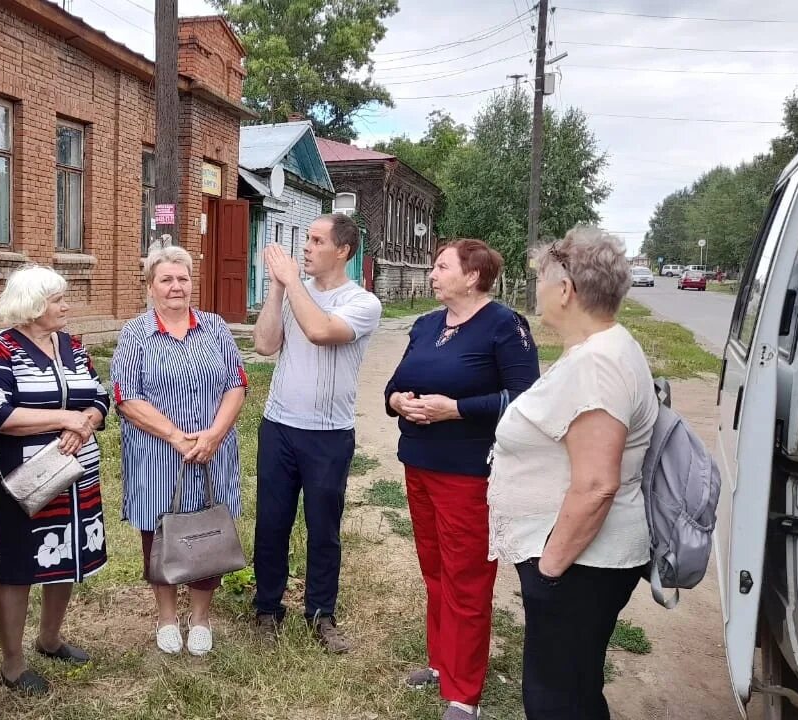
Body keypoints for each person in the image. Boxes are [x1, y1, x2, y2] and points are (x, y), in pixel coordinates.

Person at [487, 227, 658, 719]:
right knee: (576, 688)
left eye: (540, 278)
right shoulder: (601, 348)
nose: (536, 288)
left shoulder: (598, 363)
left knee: (555, 699)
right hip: (585, 563)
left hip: (581, 564)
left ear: (565, 290)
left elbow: (596, 483)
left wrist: (549, 570)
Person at [383, 239, 540, 720]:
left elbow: (526, 400)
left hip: (470, 474)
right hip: (419, 464)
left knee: (467, 580)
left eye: (440, 266)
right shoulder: (428, 324)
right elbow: (393, 384)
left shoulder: (504, 325)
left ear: (472, 276)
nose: (431, 274)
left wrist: (456, 410)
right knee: (434, 569)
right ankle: (440, 662)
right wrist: (398, 403)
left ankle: (463, 693)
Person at [251, 212, 383, 653]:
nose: (305, 247)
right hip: (279, 426)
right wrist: (277, 289)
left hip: (328, 433)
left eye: (316, 240)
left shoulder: (362, 302)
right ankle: (267, 608)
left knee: (322, 527)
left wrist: (292, 284)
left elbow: (321, 331)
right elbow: (265, 345)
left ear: (342, 251)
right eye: (305, 239)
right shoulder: (293, 293)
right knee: (271, 522)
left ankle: (321, 614)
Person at [0, 265, 111, 694]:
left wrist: (86, 419)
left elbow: (100, 396)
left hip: (77, 470)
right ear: (33, 306)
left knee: (66, 554)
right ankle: (12, 664)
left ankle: (50, 639)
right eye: (57, 299)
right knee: (19, 566)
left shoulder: (72, 345)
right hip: (23, 474)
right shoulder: (1, 349)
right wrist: (64, 417)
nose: (65, 305)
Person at [111, 242, 248, 656]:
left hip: (212, 453)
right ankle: (167, 617)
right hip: (157, 456)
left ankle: (201, 618)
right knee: (160, 534)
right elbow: (125, 395)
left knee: (209, 530)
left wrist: (212, 436)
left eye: (183, 278)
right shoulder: (135, 333)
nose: (176, 286)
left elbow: (237, 383)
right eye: (166, 279)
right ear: (151, 286)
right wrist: (175, 436)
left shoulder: (215, 327)